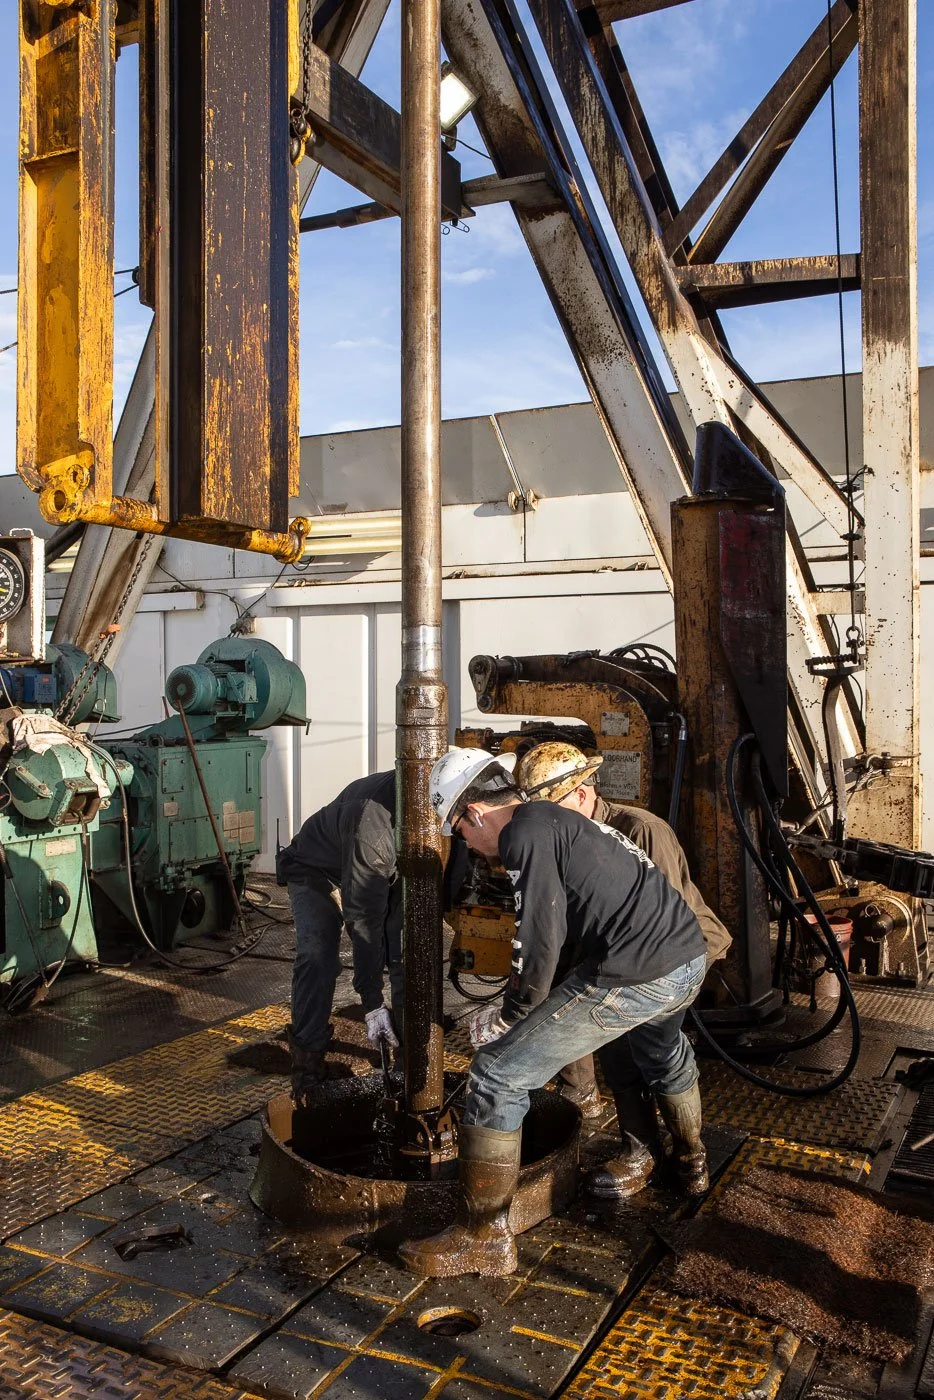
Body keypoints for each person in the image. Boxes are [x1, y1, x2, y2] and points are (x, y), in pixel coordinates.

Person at [400, 748, 707, 1279]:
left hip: (639, 973)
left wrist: (511, 1014)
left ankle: (483, 1237)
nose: (467, 846)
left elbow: (539, 937)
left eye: (460, 832)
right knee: (662, 1053)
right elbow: (564, 930)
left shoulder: (522, 834)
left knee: (497, 1073)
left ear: (474, 812)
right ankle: (692, 1161)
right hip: (686, 959)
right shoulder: (554, 819)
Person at [513, 741, 731, 1199]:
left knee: (649, 1052)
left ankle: (682, 1156)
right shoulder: (565, 835)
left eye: (552, 808)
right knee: (628, 1053)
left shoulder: (641, 829)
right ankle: (650, 1153)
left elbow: (662, 923)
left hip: (677, 950)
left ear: (581, 793)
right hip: (617, 956)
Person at [276, 771, 403, 1105]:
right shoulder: (374, 823)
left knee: (403, 953)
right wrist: (372, 1002)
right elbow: (363, 919)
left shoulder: (442, 809)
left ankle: (407, 1064)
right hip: (317, 869)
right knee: (317, 957)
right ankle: (307, 1071)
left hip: (379, 870)